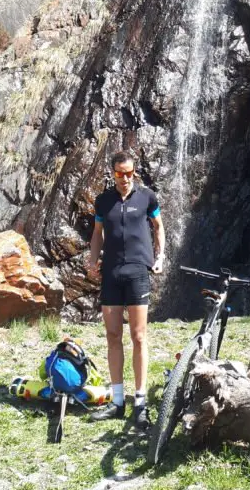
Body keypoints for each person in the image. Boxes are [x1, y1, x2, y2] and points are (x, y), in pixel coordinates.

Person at [86, 150, 165, 429]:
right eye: (120, 173)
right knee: (112, 334)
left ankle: (140, 403)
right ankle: (118, 402)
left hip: (137, 272)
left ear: (135, 172)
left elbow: (158, 227)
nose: (125, 178)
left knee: (139, 335)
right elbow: (97, 234)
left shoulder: (147, 197)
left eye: (130, 173)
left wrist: (160, 256)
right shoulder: (103, 201)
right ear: (112, 173)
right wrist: (93, 260)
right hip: (111, 273)